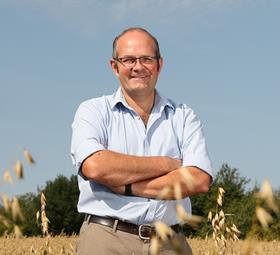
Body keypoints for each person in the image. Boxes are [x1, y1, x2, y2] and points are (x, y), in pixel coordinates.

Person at [71, 27, 213, 255]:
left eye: (147, 59)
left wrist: (126, 186)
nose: (138, 67)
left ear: (160, 64)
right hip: (107, 239)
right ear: (114, 66)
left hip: (170, 243)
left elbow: (198, 180)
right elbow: (96, 166)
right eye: (128, 59)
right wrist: (168, 164)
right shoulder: (93, 110)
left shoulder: (184, 115)